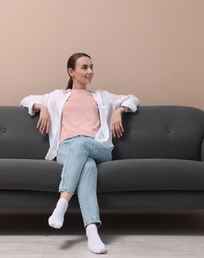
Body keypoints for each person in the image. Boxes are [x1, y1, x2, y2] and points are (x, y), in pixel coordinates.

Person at [20, 52, 140, 254]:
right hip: (66, 149)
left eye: (92, 67)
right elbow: (26, 99)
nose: (90, 71)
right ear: (71, 71)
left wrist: (120, 111)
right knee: (88, 166)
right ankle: (92, 231)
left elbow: (133, 98)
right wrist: (42, 107)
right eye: (84, 67)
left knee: (82, 144)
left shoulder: (101, 96)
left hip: (97, 147)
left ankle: (62, 203)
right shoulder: (57, 96)